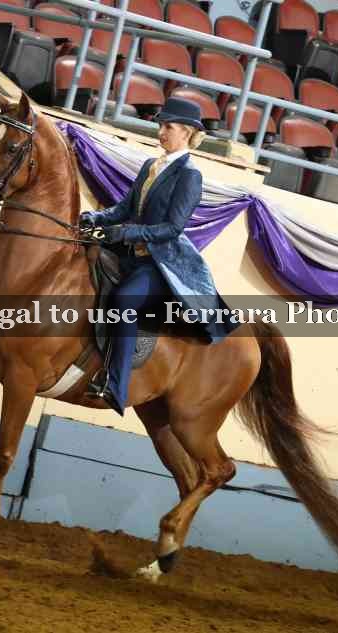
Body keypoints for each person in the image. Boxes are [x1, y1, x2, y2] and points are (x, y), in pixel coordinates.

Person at [77, 97, 238, 414]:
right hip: (128, 253)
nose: (161, 132)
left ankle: (116, 385)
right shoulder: (151, 166)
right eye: (161, 125)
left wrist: (128, 233)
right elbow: (124, 209)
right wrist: (95, 218)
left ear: (187, 132)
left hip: (159, 264)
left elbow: (173, 228)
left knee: (124, 300)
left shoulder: (189, 175)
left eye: (169, 127)